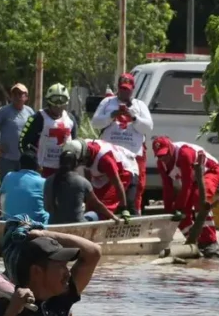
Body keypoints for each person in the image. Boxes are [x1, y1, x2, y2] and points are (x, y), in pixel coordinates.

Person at [152, 136, 219, 258]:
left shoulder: (184, 154)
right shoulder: (161, 164)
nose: (163, 158)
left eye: (165, 154)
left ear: (171, 148)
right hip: (193, 179)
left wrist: (179, 207)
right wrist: (169, 212)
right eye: (160, 156)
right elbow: (167, 188)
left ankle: (210, 242)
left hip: (210, 171)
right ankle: (195, 241)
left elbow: (187, 185)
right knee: (178, 214)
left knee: (199, 199)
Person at [91, 73, 154, 214]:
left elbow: (148, 127)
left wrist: (133, 117)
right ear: (118, 88)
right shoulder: (107, 102)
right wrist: (112, 115)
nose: (124, 92)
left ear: (133, 89)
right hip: (112, 155)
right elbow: (95, 123)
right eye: (122, 88)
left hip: (134, 155)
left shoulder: (140, 105)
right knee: (109, 186)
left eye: (127, 89)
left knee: (136, 188)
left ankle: (134, 214)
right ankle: (109, 214)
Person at [63, 139, 137, 217]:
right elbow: (89, 185)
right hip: (103, 173)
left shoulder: (105, 159)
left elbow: (118, 184)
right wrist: (88, 205)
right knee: (93, 204)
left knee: (105, 206)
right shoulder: (82, 150)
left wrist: (124, 208)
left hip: (124, 169)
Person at [44, 150, 118, 224]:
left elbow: (47, 207)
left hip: (53, 223)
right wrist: (113, 216)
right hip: (77, 223)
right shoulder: (82, 181)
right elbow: (97, 205)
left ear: (60, 163)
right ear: (75, 164)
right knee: (93, 214)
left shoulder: (49, 180)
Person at [19, 84, 78, 177]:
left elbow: (75, 143)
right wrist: (32, 164)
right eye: (55, 101)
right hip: (41, 169)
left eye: (62, 101)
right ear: (49, 102)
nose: (58, 105)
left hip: (64, 170)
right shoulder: (37, 118)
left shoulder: (71, 119)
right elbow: (22, 143)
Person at [0, 83, 34, 183]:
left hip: (25, 159)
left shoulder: (30, 112)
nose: (17, 96)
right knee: (6, 186)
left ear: (26, 97)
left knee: (23, 186)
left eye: (20, 94)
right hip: (7, 160)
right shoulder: (4, 111)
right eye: (14, 94)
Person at [0, 149, 48, 225]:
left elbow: (0, 197)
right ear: (36, 165)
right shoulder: (43, 182)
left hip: (10, 221)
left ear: (20, 164)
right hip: (34, 223)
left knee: (3, 195)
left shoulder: (9, 176)